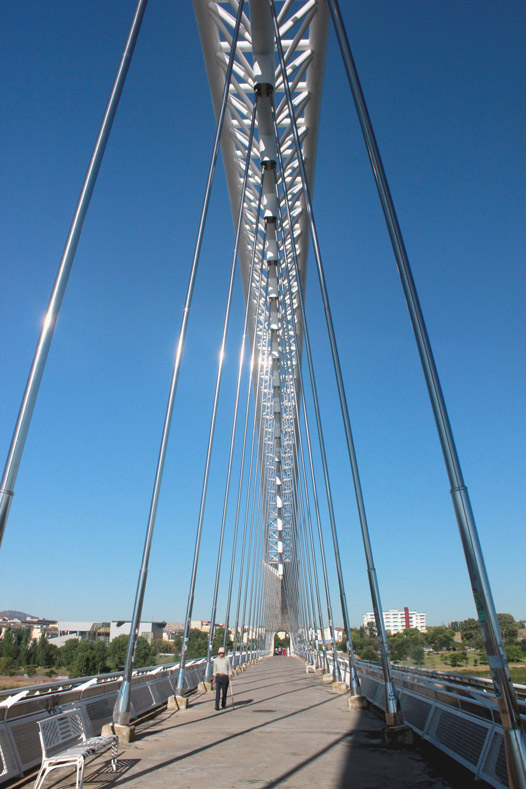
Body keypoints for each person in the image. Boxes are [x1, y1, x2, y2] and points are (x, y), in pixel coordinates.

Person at [212, 646, 233, 710]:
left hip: (225, 677)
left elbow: (229, 668)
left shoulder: (227, 659)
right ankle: (216, 705)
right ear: (219, 653)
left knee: (224, 692)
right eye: (220, 653)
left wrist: (230, 675)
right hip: (218, 676)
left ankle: (223, 704)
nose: (221, 654)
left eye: (223, 653)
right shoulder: (216, 660)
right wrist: (214, 679)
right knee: (217, 692)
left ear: (224, 653)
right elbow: (214, 670)